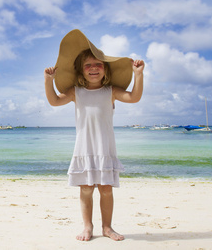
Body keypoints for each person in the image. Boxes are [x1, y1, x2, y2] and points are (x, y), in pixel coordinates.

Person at [44, 29, 144, 242]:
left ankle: (107, 227)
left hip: (104, 148)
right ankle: (88, 227)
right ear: (81, 71)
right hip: (85, 148)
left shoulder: (111, 91)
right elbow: (53, 101)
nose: (93, 69)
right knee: (86, 190)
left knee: (106, 190)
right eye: (88, 65)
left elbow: (134, 97)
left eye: (98, 64)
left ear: (105, 69)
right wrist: (48, 80)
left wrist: (138, 75)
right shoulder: (75, 92)